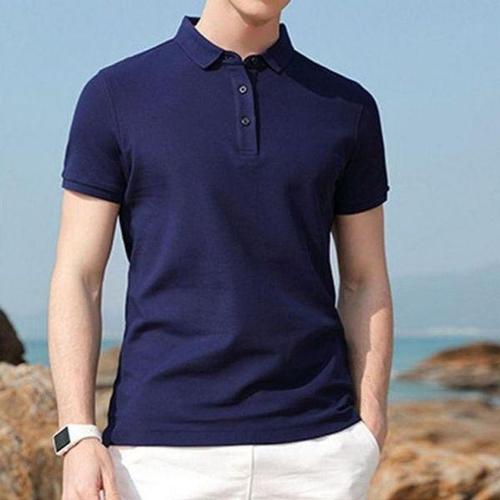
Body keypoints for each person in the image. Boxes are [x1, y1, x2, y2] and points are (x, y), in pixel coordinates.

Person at [48, 0, 393, 498]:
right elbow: (79, 276)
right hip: (158, 457)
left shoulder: (347, 107)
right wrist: (78, 434)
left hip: (320, 453)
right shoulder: (116, 95)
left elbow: (364, 278)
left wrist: (370, 422)